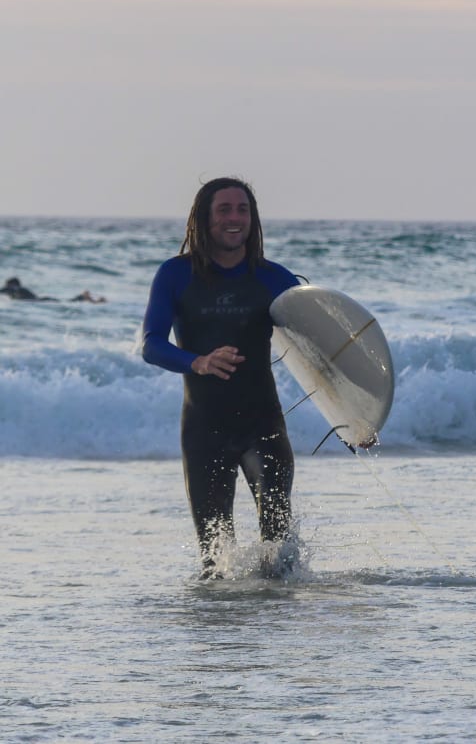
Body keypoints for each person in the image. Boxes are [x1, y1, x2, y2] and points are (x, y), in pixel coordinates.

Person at [141, 177, 300, 579]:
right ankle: (221, 643)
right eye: (224, 209)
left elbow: (324, 350)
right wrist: (197, 362)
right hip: (204, 430)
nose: (234, 218)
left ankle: (279, 638)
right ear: (204, 219)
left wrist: (357, 418)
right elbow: (152, 344)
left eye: (242, 209)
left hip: (263, 425)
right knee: (215, 563)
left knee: (279, 554)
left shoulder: (276, 279)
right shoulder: (175, 275)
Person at [0, 277, 106, 303]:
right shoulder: (18, 290)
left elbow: (7, 289)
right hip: (42, 300)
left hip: (41, 301)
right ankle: (85, 297)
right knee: (68, 302)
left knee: (68, 302)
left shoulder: (17, 288)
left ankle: (84, 297)